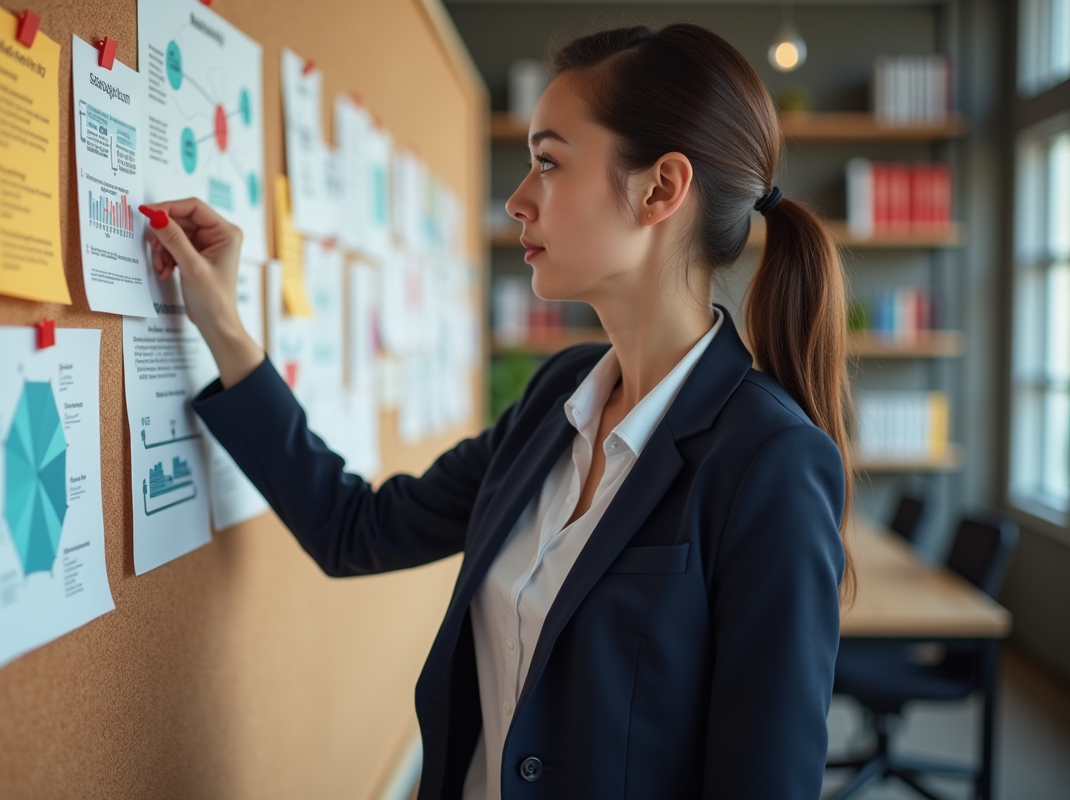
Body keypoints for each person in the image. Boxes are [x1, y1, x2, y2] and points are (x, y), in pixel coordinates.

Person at [138, 21, 853, 800]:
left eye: (548, 162)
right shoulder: (560, 395)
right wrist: (224, 329)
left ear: (660, 189)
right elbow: (358, 532)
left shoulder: (769, 459)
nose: (518, 200)